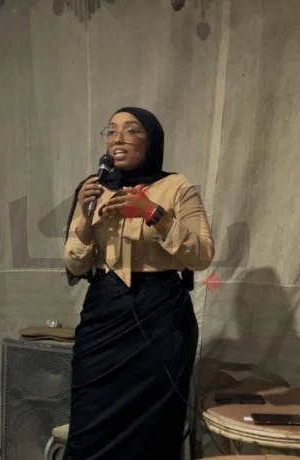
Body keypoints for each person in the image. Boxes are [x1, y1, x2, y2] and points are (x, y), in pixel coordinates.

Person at [63, 107, 215, 459]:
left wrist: (152, 213)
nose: (118, 138)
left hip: (161, 315)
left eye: (131, 130)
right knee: (90, 421)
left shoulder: (176, 187)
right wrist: (85, 216)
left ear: (151, 141)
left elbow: (202, 255)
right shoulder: (93, 189)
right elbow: (75, 262)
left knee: (154, 429)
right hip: (104, 312)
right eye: (112, 131)